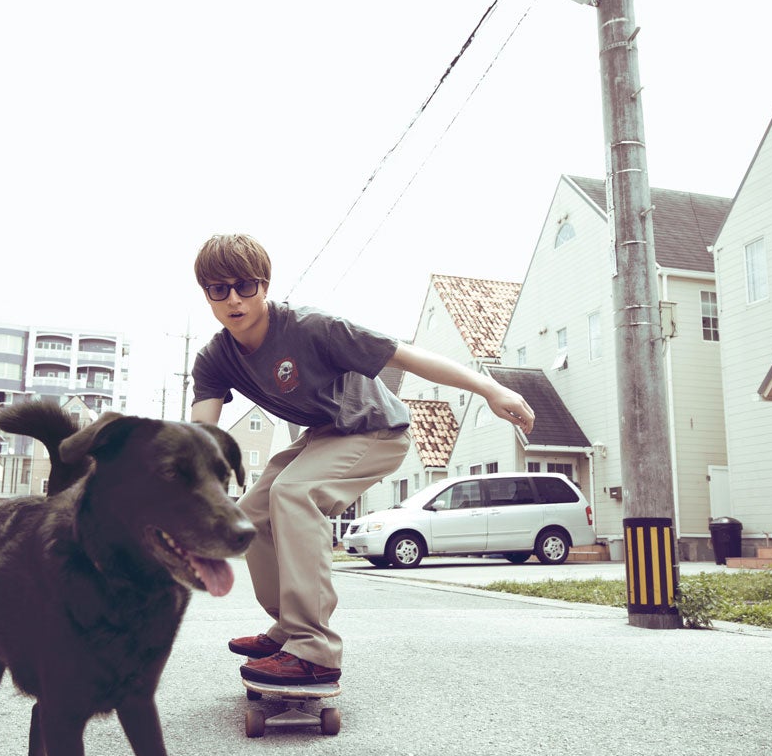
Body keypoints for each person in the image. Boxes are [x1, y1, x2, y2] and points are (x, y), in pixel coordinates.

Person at [189, 233, 535, 688]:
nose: (233, 300)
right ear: (207, 295)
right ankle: (290, 630)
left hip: (377, 431)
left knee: (295, 494)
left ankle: (314, 649)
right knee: (249, 516)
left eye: (245, 286)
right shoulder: (215, 358)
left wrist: (491, 388)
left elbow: (408, 356)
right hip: (324, 436)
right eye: (219, 290)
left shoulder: (313, 327)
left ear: (265, 285)